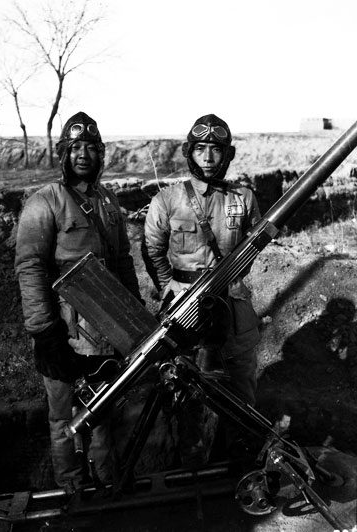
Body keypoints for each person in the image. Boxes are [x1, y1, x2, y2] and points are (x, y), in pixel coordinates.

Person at [15, 111, 143, 489]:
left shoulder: (109, 202)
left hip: (108, 328)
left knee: (102, 411)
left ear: (100, 154)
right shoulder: (45, 202)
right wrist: (45, 333)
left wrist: (135, 320)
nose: (83, 155)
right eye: (75, 148)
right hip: (64, 330)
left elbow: (123, 263)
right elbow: (30, 268)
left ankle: (106, 487)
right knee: (62, 417)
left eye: (90, 147)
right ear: (64, 154)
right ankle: (70, 490)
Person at [142, 113, 261, 467]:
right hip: (185, 308)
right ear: (189, 152)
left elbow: (254, 245)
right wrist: (171, 287)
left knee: (240, 387)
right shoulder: (168, 200)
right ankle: (189, 467)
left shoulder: (243, 198)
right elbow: (152, 249)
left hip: (233, 308)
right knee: (185, 390)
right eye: (201, 149)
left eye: (216, 149)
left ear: (227, 154)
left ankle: (238, 467)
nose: (208, 157)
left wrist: (229, 278)